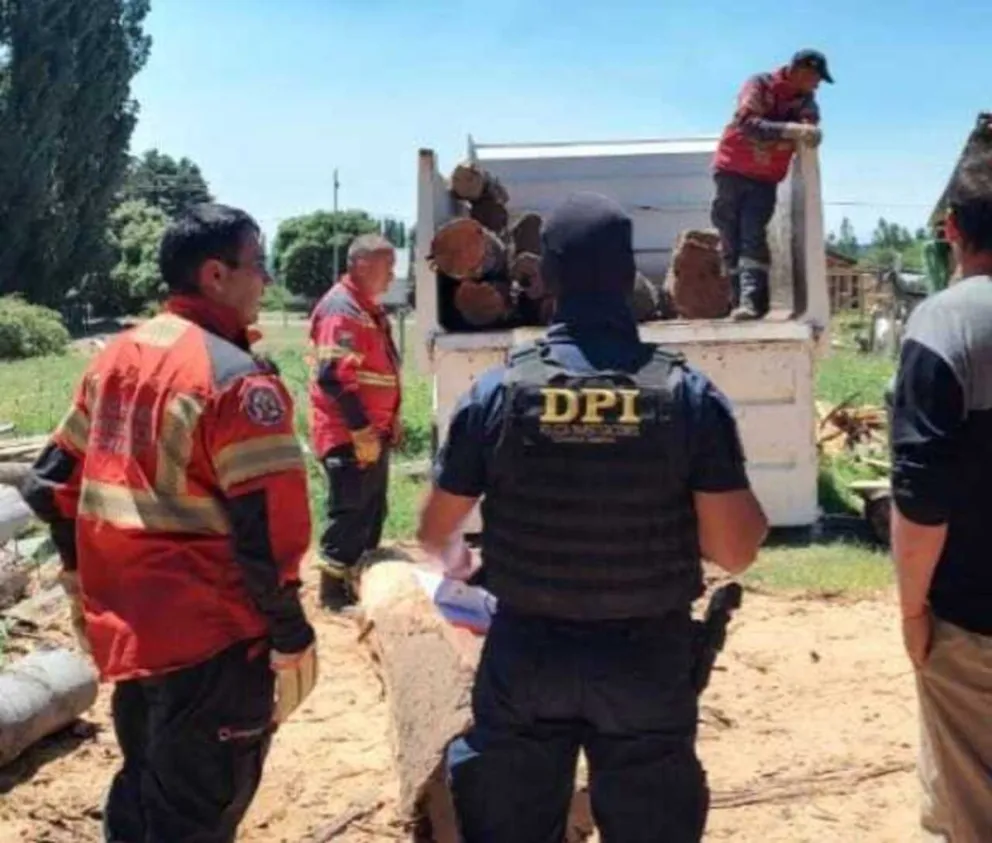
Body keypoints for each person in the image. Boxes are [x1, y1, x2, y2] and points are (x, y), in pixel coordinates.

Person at [416, 192, 769, 843]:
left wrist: (472, 571)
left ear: (544, 277)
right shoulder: (687, 396)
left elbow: (436, 531)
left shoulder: (498, 391)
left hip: (526, 656)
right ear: (627, 275)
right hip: (645, 661)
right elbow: (736, 550)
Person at [21, 204, 318, 843]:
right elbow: (266, 533)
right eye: (258, 266)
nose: (266, 282)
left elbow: (47, 485)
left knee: (146, 787)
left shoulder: (117, 357)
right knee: (199, 812)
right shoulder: (237, 382)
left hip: (130, 636)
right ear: (216, 274)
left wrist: (79, 582)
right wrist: (291, 632)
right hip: (212, 639)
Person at [889, 137, 992, 842]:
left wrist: (912, 609)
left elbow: (921, 499)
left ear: (952, 229)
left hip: (972, 625)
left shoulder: (944, 325)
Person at [308, 234, 402, 609]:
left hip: (370, 431)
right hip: (348, 433)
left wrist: (389, 420)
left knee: (371, 511)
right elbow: (333, 376)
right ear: (361, 265)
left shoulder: (365, 308)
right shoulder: (341, 310)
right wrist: (361, 430)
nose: (393, 276)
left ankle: (358, 583)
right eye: (388, 267)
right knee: (349, 514)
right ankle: (333, 596)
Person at [712, 49, 833, 321]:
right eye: (815, 78)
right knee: (729, 235)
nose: (817, 85)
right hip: (731, 168)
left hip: (764, 177)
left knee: (752, 232)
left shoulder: (806, 102)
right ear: (800, 70)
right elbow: (747, 123)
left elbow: (811, 128)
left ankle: (752, 303)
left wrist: (802, 130)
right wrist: (790, 131)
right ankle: (735, 302)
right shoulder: (760, 85)